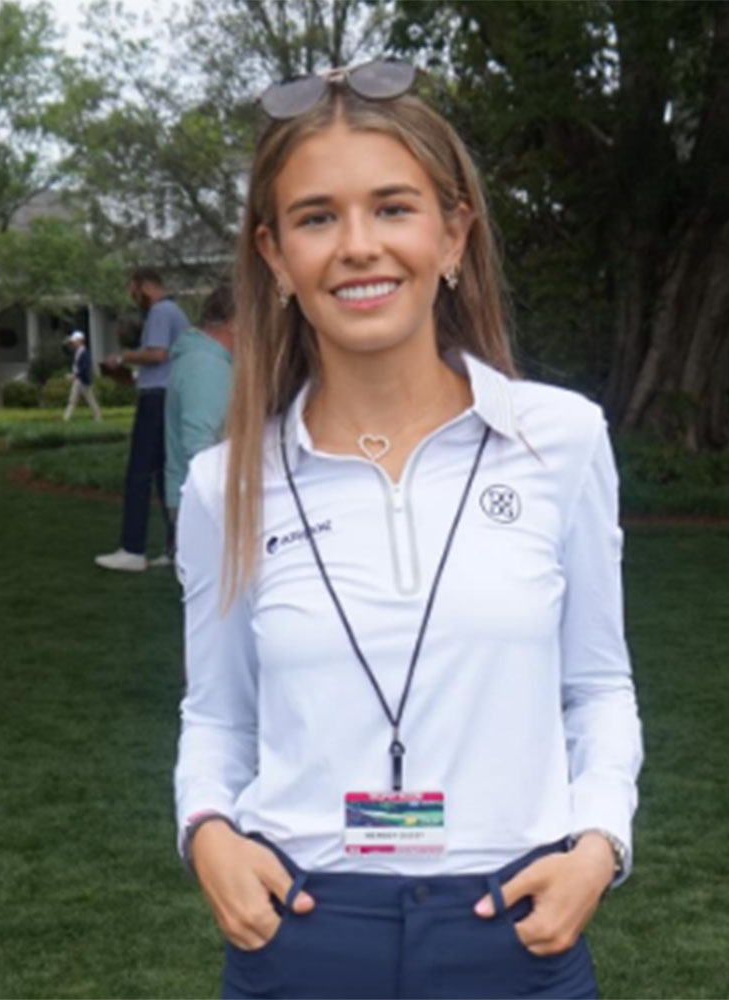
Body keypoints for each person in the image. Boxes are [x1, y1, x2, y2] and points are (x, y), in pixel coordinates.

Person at [175, 60, 643, 1000]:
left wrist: (599, 842)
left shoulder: (560, 440)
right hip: (302, 937)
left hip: (514, 937)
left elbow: (596, 685)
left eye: (393, 207)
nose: (358, 246)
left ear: (454, 231)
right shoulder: (223, 482)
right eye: (316, 217)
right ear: (273, 257)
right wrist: (207, 832)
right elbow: (217, 713)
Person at [95, 267, 190, 572]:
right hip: (168, 396)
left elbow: (157, 354)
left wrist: (122, 357)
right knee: (165, 477)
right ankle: (177, 548)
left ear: (145, 286)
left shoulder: (161, 312)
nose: (132, 297)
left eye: (132, 290)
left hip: (156, 399)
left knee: (138, 474)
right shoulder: (173, 311)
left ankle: (132, 549)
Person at [164, 283, 235, 522]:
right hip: (205, 509)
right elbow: (201, 450)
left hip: (198, 503)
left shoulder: (205, 360)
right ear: (235, 323)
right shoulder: (205, 366)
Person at [62, 331, 102, 422]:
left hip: (83, 381)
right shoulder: (77, 352)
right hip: (78, 380)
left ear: (80, 341)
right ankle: (66, 419)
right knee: (72, 401)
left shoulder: (85, 353)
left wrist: (74, 376)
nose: (73, 343)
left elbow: (84, 369)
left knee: (91, 400)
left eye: (75, 341)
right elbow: (66, 350)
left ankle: (98, 418)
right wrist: (66, 342)